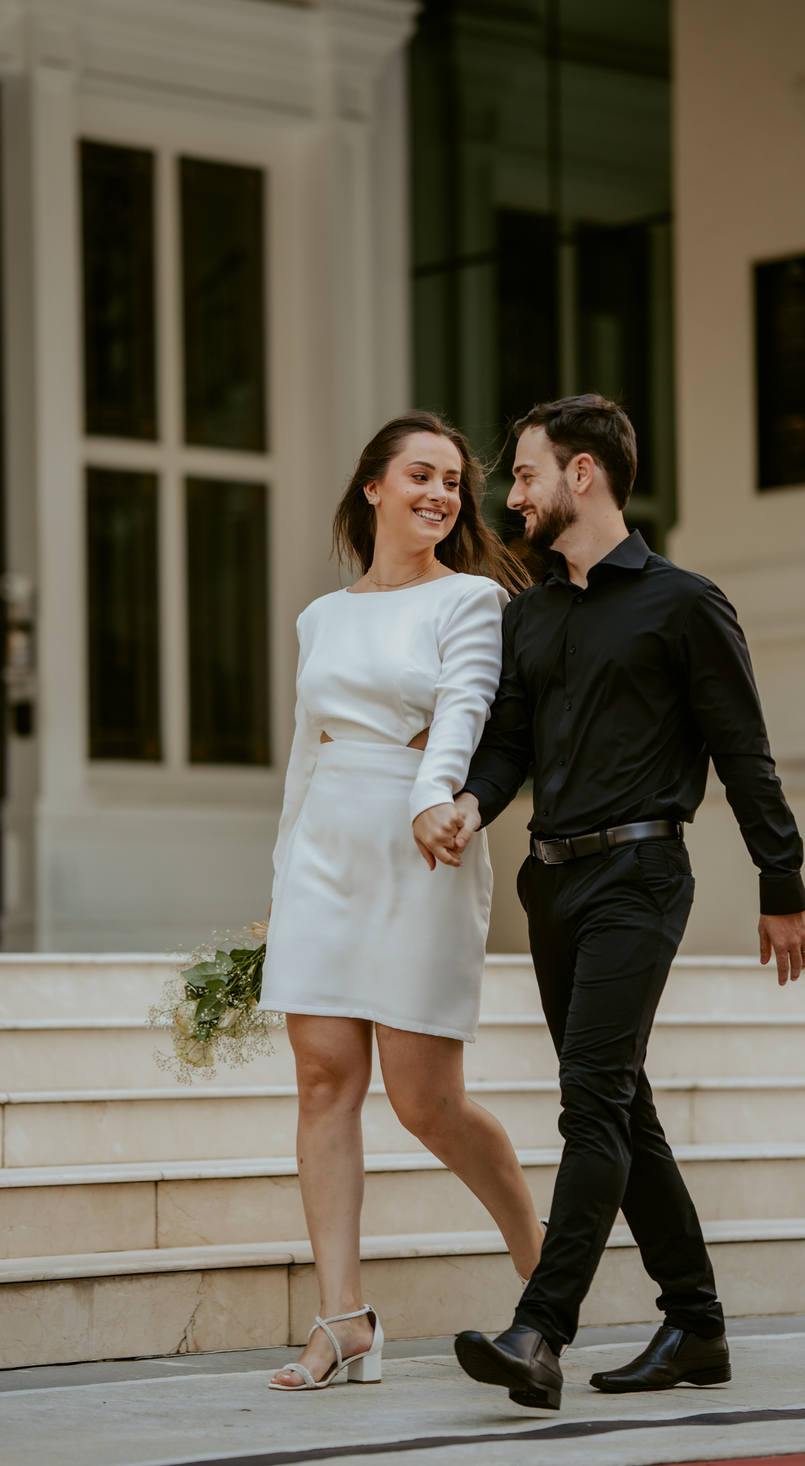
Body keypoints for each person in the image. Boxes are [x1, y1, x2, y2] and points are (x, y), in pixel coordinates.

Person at [449, 394, 805, 1410]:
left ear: (582, 475)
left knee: (592, 1100)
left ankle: (542, 1329)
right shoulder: (529, 613)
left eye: (523, 474)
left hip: (641, 878)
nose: (509, 495)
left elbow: (746, 756)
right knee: (623, 1101)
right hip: (552, 882)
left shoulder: (683, 601)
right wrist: (467, 810)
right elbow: (509, 748)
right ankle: (697, 1325)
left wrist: (780, 886)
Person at [261, 411, 544, 1393]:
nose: (440, 494)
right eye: (420, 475)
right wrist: (281, 884)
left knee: (428, 1101)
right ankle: (343, 1322)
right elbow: (307, 757)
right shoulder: (321, 618)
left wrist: (435, 799)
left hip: (424, 847)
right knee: (322, 1084)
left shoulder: (470, 600)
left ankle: (540, 1269)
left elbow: (465, 706)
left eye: (454, 483)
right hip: (325, 857)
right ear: (372, 487)